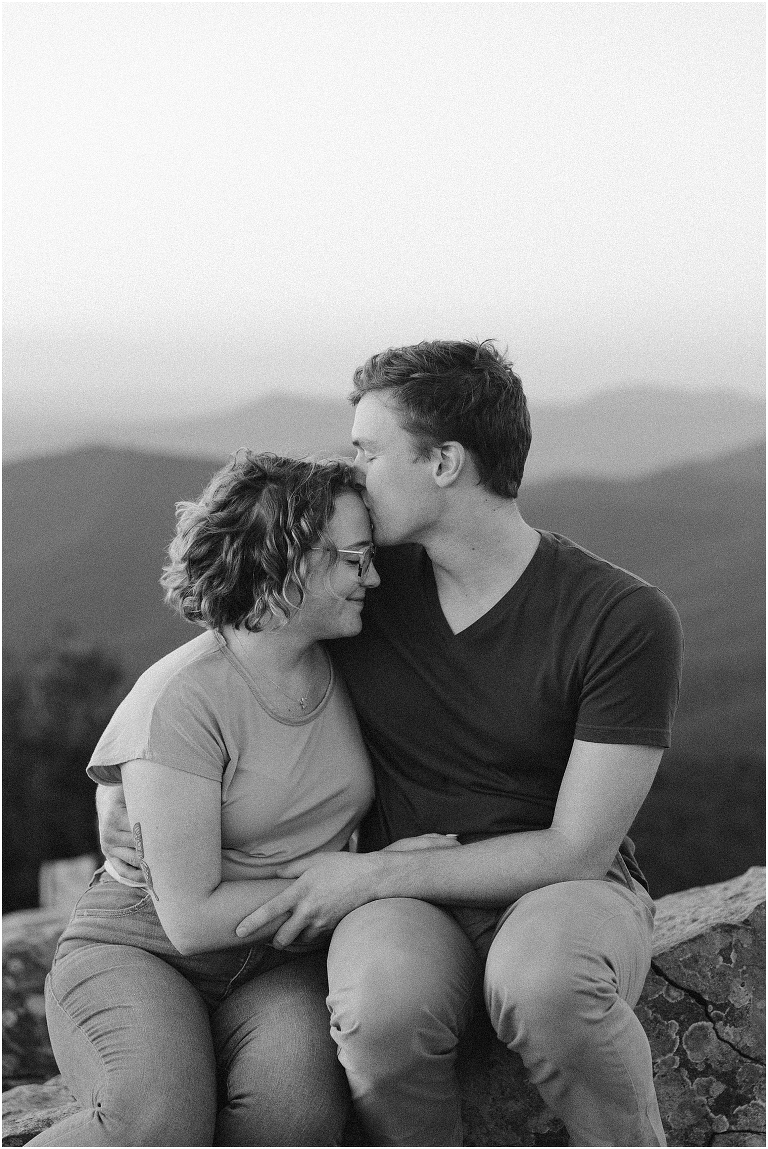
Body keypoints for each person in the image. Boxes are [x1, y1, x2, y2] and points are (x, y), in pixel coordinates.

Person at [100, 341, 684, 1148]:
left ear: (444, 462)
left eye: (369, 452)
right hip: (403, 907)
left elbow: (577, 848)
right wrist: (116, 776)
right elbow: (226, 649)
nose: (357, 472)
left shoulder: (621, 617)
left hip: (559, 887)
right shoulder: (363, 588)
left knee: (545, 984)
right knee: (378, 1011)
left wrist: (372, 872)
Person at [31, 452, 387, 1147]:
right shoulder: (183, 700)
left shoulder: (355, 662)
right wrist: (357, 880)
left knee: (297, 1119)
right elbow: (190, 918)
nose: (371, 576)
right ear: (286, 563)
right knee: (161, 1122)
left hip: (278, 959)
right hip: (142, 949)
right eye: (353, 559)